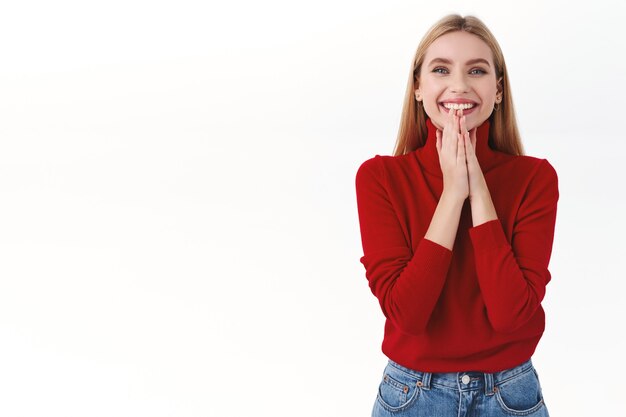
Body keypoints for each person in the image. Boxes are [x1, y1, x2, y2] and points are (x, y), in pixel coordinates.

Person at [354, 14, 558, 417]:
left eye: (477, 71)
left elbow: (512, 316)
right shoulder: (379, 178)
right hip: (412, 395)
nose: (460, 85)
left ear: (498, 90)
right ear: (418, 87)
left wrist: (477, 188)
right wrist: (453, 194)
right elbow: (408, 315)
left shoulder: (535, 178)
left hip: (510, 395)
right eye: (441, 69)